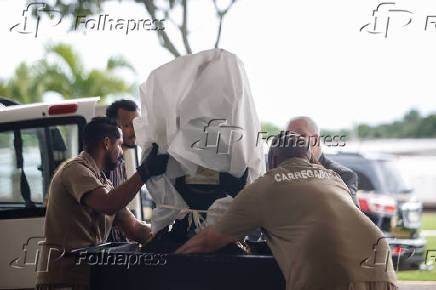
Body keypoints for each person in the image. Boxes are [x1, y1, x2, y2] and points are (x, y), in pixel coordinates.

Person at [176, 133, 397, 290]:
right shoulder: (334, 178)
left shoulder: (263, 187)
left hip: (329, 272)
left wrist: (171, 260)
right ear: (312, 160)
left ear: (272, 161)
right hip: (380, 267)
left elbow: (210, 240)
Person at [36, 117, 169, 290]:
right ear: (107, 143)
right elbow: (108, 204)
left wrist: (165, 238)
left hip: (87, 277)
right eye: (119, 145)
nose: (121, 152)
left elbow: (133, 228)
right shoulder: (75, 170)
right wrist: (145, 172)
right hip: (63, 279)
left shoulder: (102, 182)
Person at [286, 116, 360, 207]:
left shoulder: (344, 176)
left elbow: (351, 217)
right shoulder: (282, 174)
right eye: (288, 137)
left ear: (316, 140)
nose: (293, 141)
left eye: (301, 135)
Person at [105, 99, 140, 242]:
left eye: (137, 124)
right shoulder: (107, 164)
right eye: (127, 125)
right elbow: (112, 208)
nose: (134, 130)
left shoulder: (124, 159)